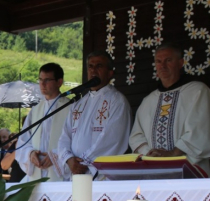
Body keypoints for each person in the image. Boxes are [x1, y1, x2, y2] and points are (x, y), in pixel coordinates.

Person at [129, 43, 210, 175]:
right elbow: (136, 136)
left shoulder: (198, 91)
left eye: (168, 60)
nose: (163, 65)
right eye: (158, 61)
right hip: (154, 172)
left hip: (191, 171)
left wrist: (173, 154)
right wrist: (151, 155)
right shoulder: (148, 100)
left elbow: (200, 131)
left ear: (180, 63)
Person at [57, 51, 131, 180]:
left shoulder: (117, 100)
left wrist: (84, 162)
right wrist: (69, 160)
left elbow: (112, 139)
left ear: (110, 73)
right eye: (90, 66)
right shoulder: (77, 104)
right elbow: (64, 137)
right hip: (76, 174)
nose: (93, 70)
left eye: (99, 66)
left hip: (101, 176)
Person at [15, 63, 70, 182]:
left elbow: (76, 142)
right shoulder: (35, 110)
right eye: (40, 79)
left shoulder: (71, 108)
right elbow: (23, 142)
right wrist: (31, 154)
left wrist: (56, 156)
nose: (42, 84)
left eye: (47, 80)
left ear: (59, 82)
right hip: (37, 172)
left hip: (60, 175)